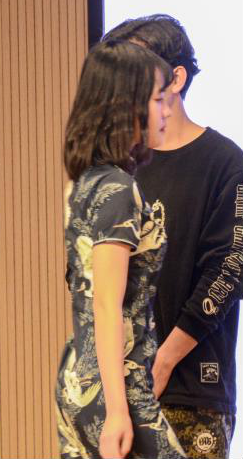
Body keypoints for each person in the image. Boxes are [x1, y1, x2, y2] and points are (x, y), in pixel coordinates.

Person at [103, 14, 243, 458]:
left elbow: (228, 271)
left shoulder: (225, 162)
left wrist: (162, 362)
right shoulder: (117, 168)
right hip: (116, 395)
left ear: (176, 78)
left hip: (192, 393)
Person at [55, 39, 186, 458]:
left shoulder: (86, 181)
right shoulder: (118, 188)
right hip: (118, 385)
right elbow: (106, 304)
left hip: (80, 375)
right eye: (158, 100)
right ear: (126, 106)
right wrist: (116, 412)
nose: (167, 111)